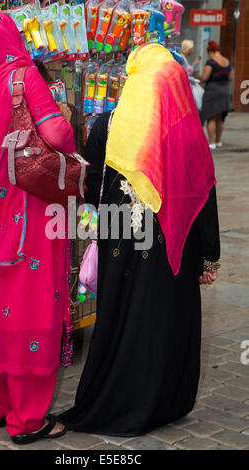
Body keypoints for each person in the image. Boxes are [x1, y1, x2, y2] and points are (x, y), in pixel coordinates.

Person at [58, 44, 220, 437]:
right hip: (171, 248)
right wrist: (209, 257)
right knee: (164, 321)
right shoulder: (184, 130)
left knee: (118, 317)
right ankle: (163, 400)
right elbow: (201, 196)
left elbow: (92, 187)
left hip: (119, 243)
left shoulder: (108, 126)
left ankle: (113, 395)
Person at [0, 12, 75, 444]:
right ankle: (28, 420)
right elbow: (55, 133)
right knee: (31, 305)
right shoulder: (22, 75)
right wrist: (68, 119)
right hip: (29, 217)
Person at [200, 40, 233, 149]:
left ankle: (212, 142)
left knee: (211, 117)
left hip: (213, 91)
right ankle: (219, 141)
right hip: (225, 91)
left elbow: (205, 78)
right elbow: (230, 78)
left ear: (211, 51)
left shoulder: (211, 62)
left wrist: (199, 80)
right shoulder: (227, 62)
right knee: (220, 118)